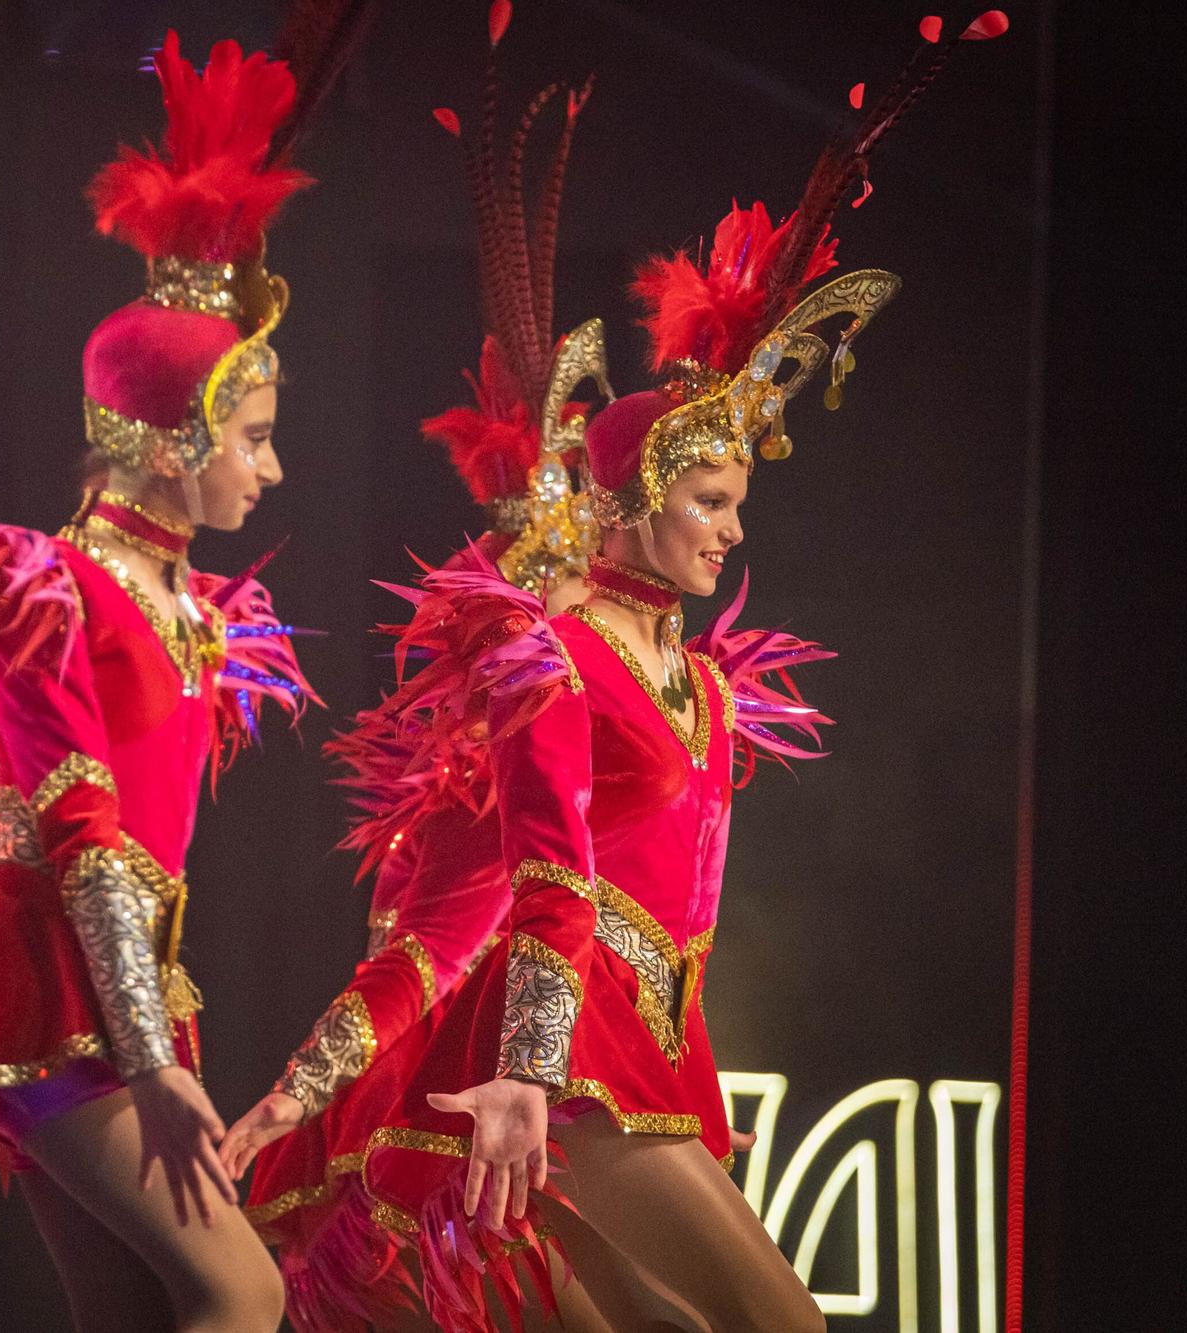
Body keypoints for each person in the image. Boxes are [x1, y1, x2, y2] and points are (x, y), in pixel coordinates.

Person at [353, 15, 1008, 1326]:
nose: (736, 524)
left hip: (656, 1043)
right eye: (709, 496)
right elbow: (493, 863)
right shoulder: (561, 652)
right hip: (570, 1043)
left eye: (739, 496)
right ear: (635, 503)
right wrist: (514, 1061)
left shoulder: (699, 680)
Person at [0, 31, 319, 1332]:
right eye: (252, 436)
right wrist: (145, 1057)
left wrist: (151, 1032)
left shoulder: (184, 605)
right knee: (241, 1292)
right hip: (46, 984)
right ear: (167, 438)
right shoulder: (45, 586)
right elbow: (80, 830)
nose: (274, 468)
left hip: (131, 981)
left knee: (137, 1311)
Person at [221, 9, 616, 1325]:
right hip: (448, 1123)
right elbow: (431, 939)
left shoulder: (603, 694)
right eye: (562, 576)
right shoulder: (520, 718)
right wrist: (297, 1088)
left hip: (552, 1095)